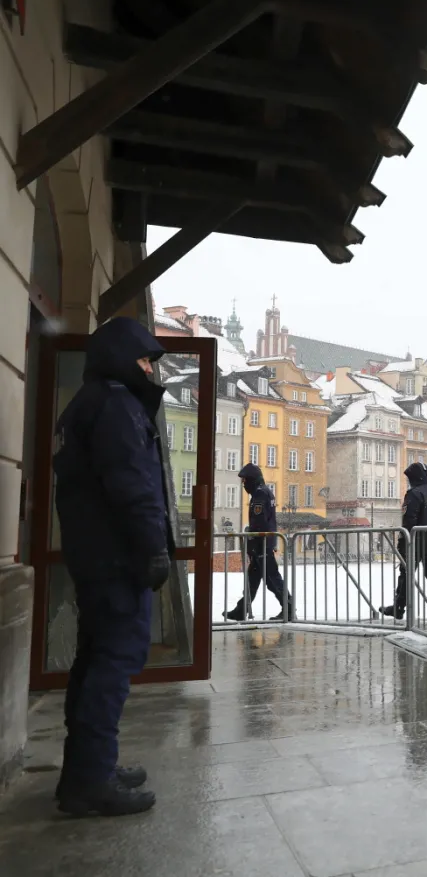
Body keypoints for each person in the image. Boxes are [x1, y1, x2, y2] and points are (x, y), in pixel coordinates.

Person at [51, 317, 173, 816]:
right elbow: (131, 485)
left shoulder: (87, 403)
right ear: (124, 359)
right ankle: (90, 781)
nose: (150, 370)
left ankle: (88, 768)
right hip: (116, 555)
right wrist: (153, 547)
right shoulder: (118, 406)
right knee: (112, 666)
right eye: (145, 360)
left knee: (93, 661)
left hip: (93, 553)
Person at [223, 463, 291, 621]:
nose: (244, 484)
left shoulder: (260, 495)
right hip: (264, 543)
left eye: (245, 480)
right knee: (252, 580)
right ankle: (241, 610)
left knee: (272, 580)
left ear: (253, 480)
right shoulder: (265, 492)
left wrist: (253, 541)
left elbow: (259, 523)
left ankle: (288, 608)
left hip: (262, 545)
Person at [380, 462, 427, 620]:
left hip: (415, 543)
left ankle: (399, 606)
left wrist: (403, 542)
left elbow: (409, 521)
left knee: (405, 574)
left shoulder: (414, 494)